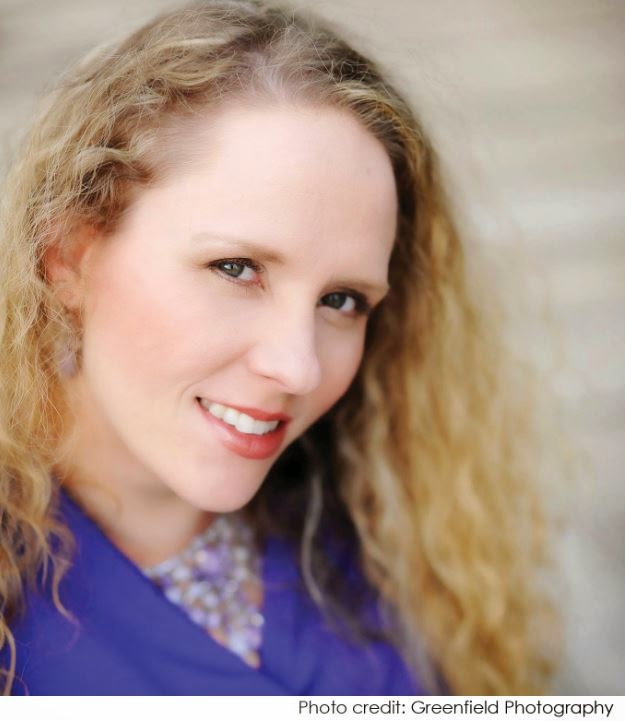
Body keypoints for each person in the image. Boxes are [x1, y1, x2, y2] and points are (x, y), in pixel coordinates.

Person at [0, 0, 556, 696]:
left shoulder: (392, 547)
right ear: (69, 256)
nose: (298, 367)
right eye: (236, 268)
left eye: (342, 300)